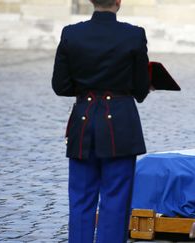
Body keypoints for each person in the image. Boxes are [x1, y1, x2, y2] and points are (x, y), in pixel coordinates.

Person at [51, 0, 149, 242]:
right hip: (120, 123)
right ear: (118, 1)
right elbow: (140, 88)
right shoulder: (134, 35)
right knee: (115, 199)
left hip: (83, 121)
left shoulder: (71, 33)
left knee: (81, 198)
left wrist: (87, 87)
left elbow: (60, 86)